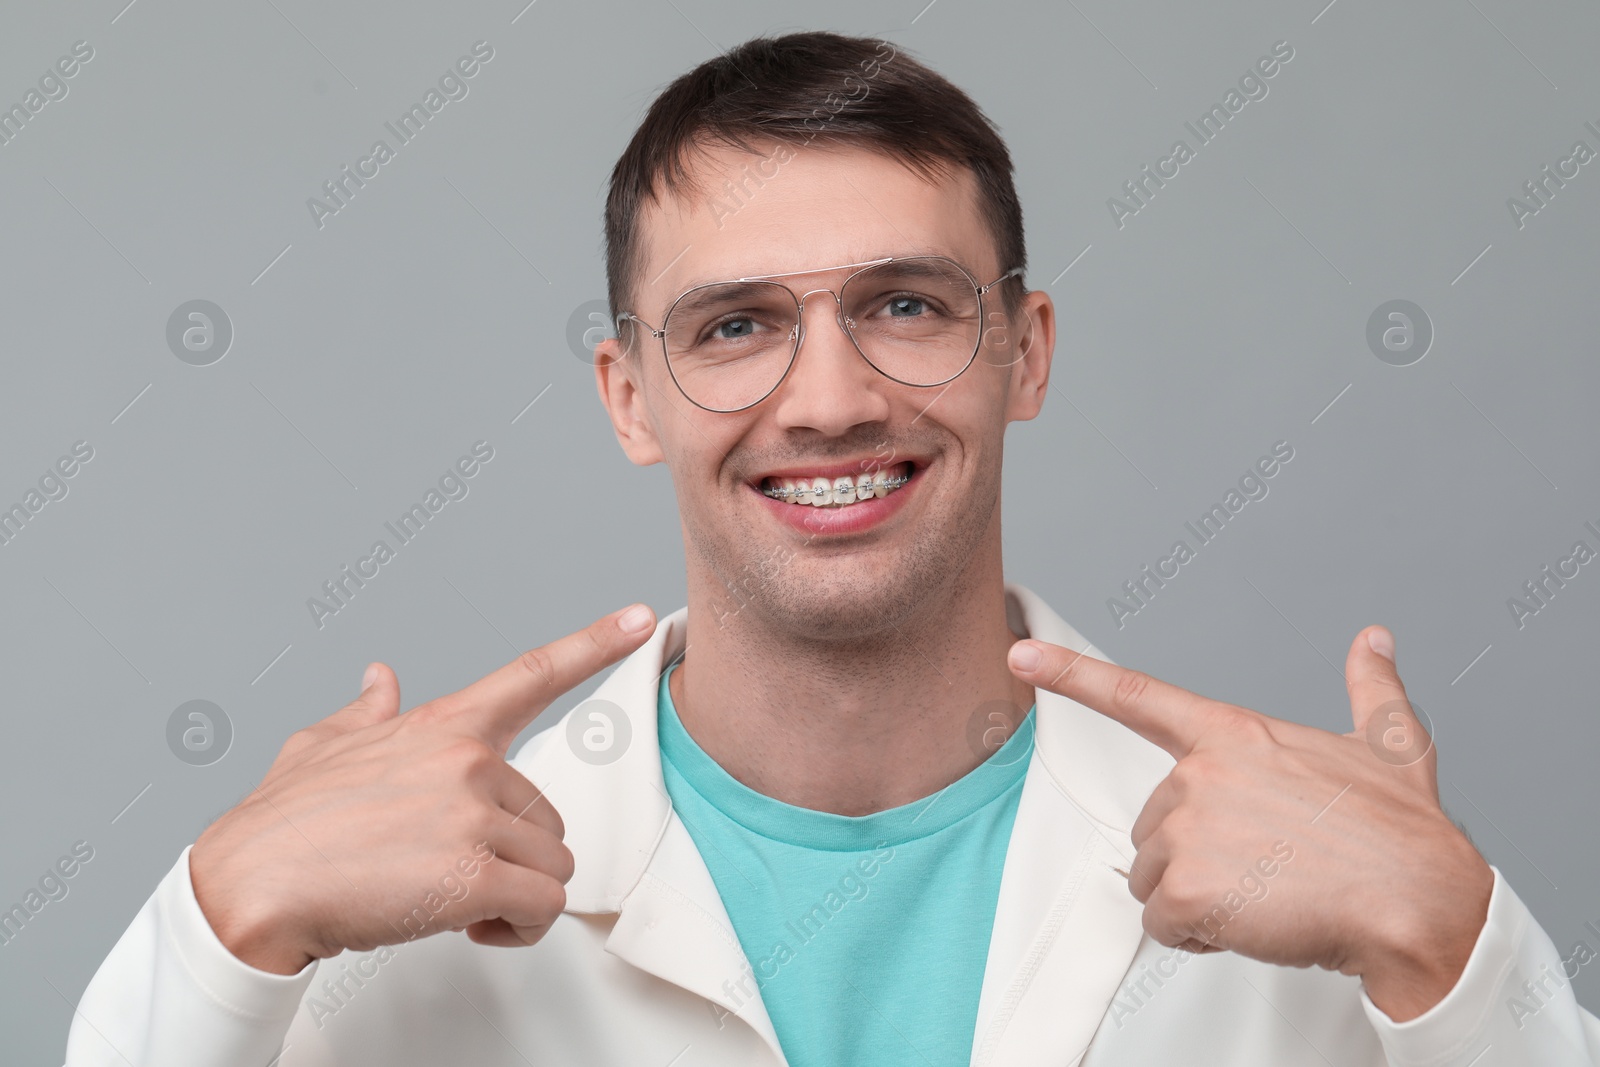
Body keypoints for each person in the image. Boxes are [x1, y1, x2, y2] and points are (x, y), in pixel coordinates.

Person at [65, 30, 1598, 1066]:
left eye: (908, 306)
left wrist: (1467, 956)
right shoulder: (380, 911)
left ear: (1027, 350)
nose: (832, 398)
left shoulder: (1306, 889)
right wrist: (213, 929)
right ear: (629, 395)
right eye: (736, 327)